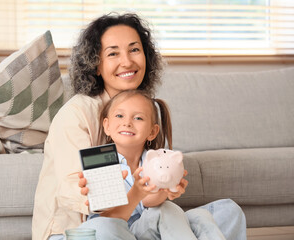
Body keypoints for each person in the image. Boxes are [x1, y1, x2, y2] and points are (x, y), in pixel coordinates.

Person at [32, 12, 246, 240]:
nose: (127, 61)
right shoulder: (76, 115)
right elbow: (100, 210)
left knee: (227, 211)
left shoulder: (142, 108)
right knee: (111, 228)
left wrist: (163, 191)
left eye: (134, 50)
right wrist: (140, 196)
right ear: (96, 65)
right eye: (113, 53)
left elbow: (150, 202)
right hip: (83, 230)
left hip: (136, 224)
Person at [78, 89, 227, 240]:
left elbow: (149, 203)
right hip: (116, 230)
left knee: (224, 209)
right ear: (107, 125)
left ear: (152, 131)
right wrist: (136, 193)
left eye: (138, 118)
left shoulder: (155, 161)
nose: (127, 122)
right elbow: (109, 217)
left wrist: (165, 190)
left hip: (148, 229)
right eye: (119, 115)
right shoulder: (99, 160)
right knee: (101, 227)